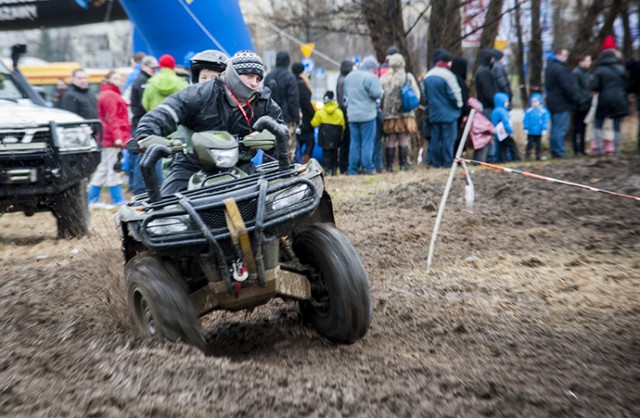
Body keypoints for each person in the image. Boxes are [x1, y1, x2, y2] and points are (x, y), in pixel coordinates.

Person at [134, 50, 289, 196]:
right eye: (249, 76)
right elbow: (167, 111)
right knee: (164, 210)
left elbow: (281, 127)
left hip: (240, 164)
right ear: (234, 74)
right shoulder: (201, 93)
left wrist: (269, 136)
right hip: (191, 165)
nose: (254, 83)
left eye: (258, 79)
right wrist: (146, 134)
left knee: (270, 201)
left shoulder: (262, 100)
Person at [88, 71, 130, 207]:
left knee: (104, 168)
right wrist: (118, 138)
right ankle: (117, 200)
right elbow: (113, 118)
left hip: (107, 137)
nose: (118, 80)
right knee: (113, 168)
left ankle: (92, 199)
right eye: (115, 78)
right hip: (112, 138)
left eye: (119, 78)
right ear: (108, 79)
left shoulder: (107, 94)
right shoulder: (111, 95)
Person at [380, 53, 420, 171]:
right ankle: (403, 165)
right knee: (403, 137)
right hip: (405, 113)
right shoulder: (407, 76)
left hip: (389, 114)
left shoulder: (384, 78)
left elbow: (380, 96)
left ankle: (389, 166)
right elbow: (416, 94)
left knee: (391, 139)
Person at [343, 56, 383, 175]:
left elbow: (346, 95)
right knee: (367, 142)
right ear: (371, 68)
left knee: (354, 143)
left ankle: (353, 169)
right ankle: (368, 167)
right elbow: (377, 94)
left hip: (352, 115)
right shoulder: (371, 77)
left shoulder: (349, 77)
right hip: (367, 115)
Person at [423, 50, 462, 168]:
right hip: (448, 114)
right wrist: (459, 105)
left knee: (435, 138)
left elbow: (425, 96)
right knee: (448, 139)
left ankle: (435, 162)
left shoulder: (428, 75)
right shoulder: (448, 76)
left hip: (434, 113)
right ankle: (448, 162)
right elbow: (454, 95)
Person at [128, 55, 159, 195]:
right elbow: (145, 105)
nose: (154, 70)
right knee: (141, 156)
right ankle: (139, 189)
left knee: (141, 156)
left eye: (155, 68)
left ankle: (139, 188)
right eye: (152, 68)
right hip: (141, 123)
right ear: (144, 67)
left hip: (141, 122)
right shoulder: (142, 82)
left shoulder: (146, 80)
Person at [590, 48, 628, 157]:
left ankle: (601, 149)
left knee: (598, 122)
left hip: (604, 98)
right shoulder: (621, 69)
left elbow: (595, 86)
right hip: (619, 98)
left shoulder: (599, 70)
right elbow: (626, 85)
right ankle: (617, 150)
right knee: (617, 124)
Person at [264, 51, 300, 161]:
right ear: (288, 62)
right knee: (288, 149)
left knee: (272, 147)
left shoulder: (268, 76)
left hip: (271, 119)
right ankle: (287, 173)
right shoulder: (290, 77)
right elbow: (293, 100)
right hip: (287, 118)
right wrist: (296, 118)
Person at [544, 47, 577, 158]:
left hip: (552, 101)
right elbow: (567, 86)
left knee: (554, 128)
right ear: (559, 55)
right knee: (561, 128)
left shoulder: (549, 67)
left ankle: (554, 150)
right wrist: (574, 97)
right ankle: (559, 151)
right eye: (565, 55)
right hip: (561, 102)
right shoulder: (560, 69)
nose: (566, 58)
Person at [311, 91, 345, 175]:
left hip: (324, 137)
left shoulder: (320, 112)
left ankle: (326, 170)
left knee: (326, 154)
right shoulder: (339, 112)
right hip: (336, 138)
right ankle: (334, 170)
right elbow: (343, 126)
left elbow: (314, 123)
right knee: (335, 153)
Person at [291, 62, 315, 163]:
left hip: (294, 118)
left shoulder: (291, 82)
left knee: (297, 143)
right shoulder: (302, 84)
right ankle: (304, 162)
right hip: (305, 119)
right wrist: (314, 114)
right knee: (310, 142)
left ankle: (296, 162)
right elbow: (307, 104)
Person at [571, 54, 592, 156]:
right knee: (577, 128)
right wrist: (582, 101)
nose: (589, 63)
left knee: (583, 128)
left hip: (585, 104)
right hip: (579, 106)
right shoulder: (576, 73)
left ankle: (582, 149)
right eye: (588, 61)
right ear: (581, 61)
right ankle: (577, 150)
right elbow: (575, 90)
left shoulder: (586, 73)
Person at [336, 59, 354, 174]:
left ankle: (344, 166)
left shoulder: (340, 78)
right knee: (346, 142)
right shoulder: (344, 80)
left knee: (345, 142)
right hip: (345, 115)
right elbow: (343, 100)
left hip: (343, 114)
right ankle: (344, 167)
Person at [491, 92, 520, 162]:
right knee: (512, 145)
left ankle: (502, 159)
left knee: (502, 147)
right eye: (506, 101)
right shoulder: (503, 111)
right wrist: (510, 131)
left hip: (498, 133)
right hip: (505, 132)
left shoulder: (494, 111)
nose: (507, 103)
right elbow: (506, 122)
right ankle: (516, 158)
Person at [523, 93, 550, 160]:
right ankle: (527, 156)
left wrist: (544, 128)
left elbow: (545, 121)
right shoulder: (529, 111)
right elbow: (526, 120)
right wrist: (526, 128)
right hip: (531, 132)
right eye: (533, 101)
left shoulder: (543, 111)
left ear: (540, 101)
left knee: (538, 145)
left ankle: (538, 155)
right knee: (530, 144)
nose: (534, 103)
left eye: (536, 101)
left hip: (538, 132)